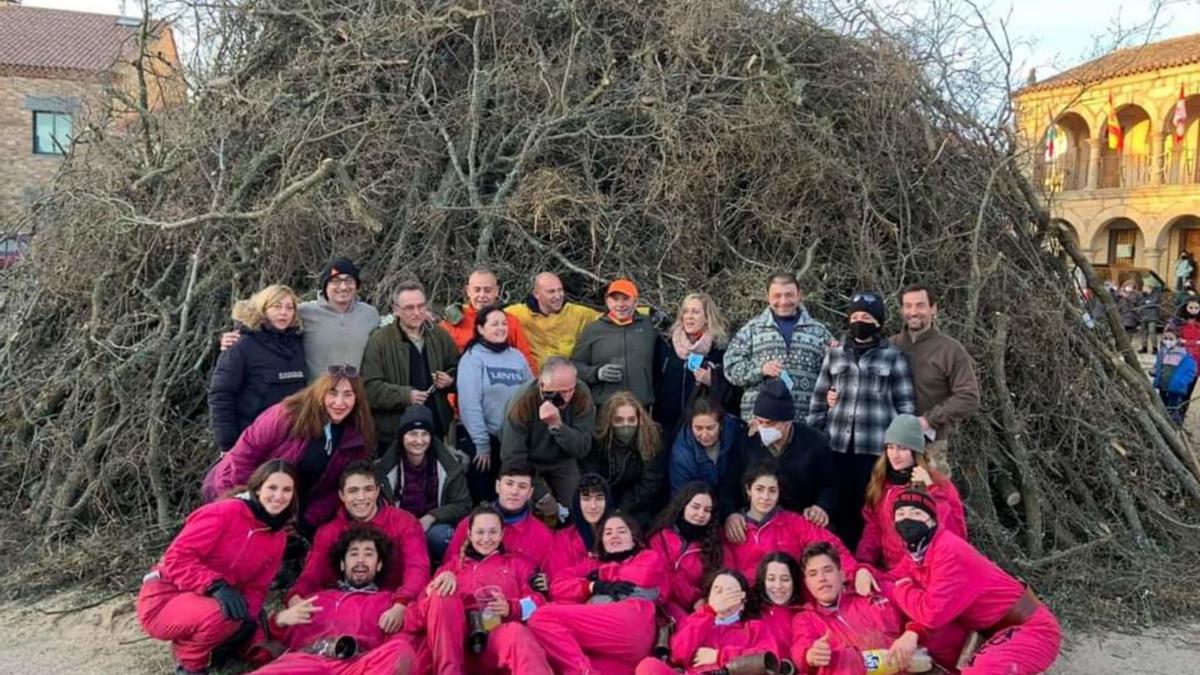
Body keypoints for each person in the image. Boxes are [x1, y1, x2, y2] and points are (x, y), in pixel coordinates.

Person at [139, 460, 297, 675]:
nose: (279, 496)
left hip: (208, 601)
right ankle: (190, 666)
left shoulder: (277, 538)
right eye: (272, 487)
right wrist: (215, 586)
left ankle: (212, 643)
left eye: (286, 490)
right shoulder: (225, 511)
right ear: (258, 488)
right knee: (223, 613)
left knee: (241, 617)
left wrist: (244, 618)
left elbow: (257, 587)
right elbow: (176, 558)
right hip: (165, 597)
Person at [882, 489, 1062, 673]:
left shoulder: (948, 551)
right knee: (931, 641)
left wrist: (902, 588)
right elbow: (889, 579)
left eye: (916, 513)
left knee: (981, 670)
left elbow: (932, 613)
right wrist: (860, 571)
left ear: (932, 520)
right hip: (988, 634)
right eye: (901, 514)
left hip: (1029, 628)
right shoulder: (917, 555)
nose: (907, 519)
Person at [201, 367, 374, 535]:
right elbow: (244, 456)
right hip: (236, 491)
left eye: (348, 395)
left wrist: (305, 520)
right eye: (333, 393)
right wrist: (256, 505)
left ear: (357, 399)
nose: (339, 402)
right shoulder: (287, 414)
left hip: (286, 511)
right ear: (320, 393)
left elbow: (338, 489)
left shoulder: (356, 437)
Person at [808, 291, 916, 550]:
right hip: (836, 447)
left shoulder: (894, 357)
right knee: (835, 509)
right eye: (855, 316)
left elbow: (906, 408)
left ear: (878, 322)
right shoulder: (835, 355)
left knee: (867, 511)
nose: (859, 321)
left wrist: (902, 449)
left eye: (866, 316)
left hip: (874, 450)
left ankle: (865, 563)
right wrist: (816, 436)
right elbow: (819, 399)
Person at [403, 505, 553, 675]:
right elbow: (412, 617)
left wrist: (512, 608)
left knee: (517, 634)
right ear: (469, 534)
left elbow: (538, 603)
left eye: (493, 532)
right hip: (454, 644)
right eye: (480, 532)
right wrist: (432, 594)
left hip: (494, 639)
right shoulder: (451, 568)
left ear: (502, 534)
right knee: (443, 596)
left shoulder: (518, 564)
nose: (486, 538)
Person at [252, 526, 419, 675]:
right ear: (342, 564)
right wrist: (280, 620)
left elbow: (404, 645)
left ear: (379, 564)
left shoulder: (389, 603)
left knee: (400, 651)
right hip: (307, 663)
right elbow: (269, 639)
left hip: (357, 666)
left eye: (368, 554)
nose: (360, 560)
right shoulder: (317, 598)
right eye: (353, 554)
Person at [288, 461, 431, 634]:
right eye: (353, 491)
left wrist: (402, 603)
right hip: (346, 603)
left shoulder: (405, 522)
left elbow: (418, 568)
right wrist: (295, 596)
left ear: (377, 491)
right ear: (341, 495)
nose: (361, 497)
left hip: (391, 605)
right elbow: (313, 572)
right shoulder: (328, 531)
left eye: (368, 489)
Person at [528, 512, 670, 675]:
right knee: (572, 655)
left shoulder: (646, 556)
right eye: (608, 533)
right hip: (615, 650)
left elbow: (645, 575)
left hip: (634, 619)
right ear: (601, 541)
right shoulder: (591, 564)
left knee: (542, 617)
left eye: (622, 531)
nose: (614, 536)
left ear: (634, 538)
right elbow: (557, 586)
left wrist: (603, 573)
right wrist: (593, 586)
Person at [791, 542, 930, 675]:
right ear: (806, 583)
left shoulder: (871, 591)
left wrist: (913, 633)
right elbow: (801, 650)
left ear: (842, 574)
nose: (821, 578)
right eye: (813, 574)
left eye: (828, 570)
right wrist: (810, 656)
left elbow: (924, 611)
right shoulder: (805, 619)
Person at [720, 379, 837, 535]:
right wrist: (731, 514)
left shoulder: (814, 443)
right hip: (754, 524)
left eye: (769, 423)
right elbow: (729, 485)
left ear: (787, 422)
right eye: (759, 421)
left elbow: (829, 485)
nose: (763, 428)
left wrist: (821, 507)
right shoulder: (746, 442)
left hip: (801, 522)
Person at [890, 284, 981, 476]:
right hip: (892, 447)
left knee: (932, 500)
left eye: (920, 305)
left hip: (930, 446)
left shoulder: (950, 350)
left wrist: (929, 420)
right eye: (908, 306)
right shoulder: (891, 346)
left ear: (933, 308)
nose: (913, 312)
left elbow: (969, 397)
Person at [857, 415, 966, 576]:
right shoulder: (882, 483)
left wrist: (931, 490)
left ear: (915, 451)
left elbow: (953, 531)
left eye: (902, 448)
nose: (894, 455)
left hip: (928, 570)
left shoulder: (938, 484)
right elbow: (872, 531)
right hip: (890, 570)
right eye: (890, 447)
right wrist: (863, 564)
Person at [724, 272, 833, 424]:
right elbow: (731, 369)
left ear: (799, 295)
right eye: (777, 296)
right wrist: (760, 370)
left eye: (789, 295)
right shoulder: (751, 330)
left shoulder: (820, 332)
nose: (783, 301)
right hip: (759, 425)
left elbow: (834, 373)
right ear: (768, 297)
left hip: (805, 424)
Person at [208, 284, 306, 453]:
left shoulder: (298, 344)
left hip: (292, 441)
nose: (284, 312)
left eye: (289, 307)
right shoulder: (241, 345)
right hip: (250, 442)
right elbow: (221, 394)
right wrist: (228, 444)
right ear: (263, 308)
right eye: (277, 306)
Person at [361, 279, 458, 448]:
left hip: (434, 429)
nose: (417, 312)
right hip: (393, 434)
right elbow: (369, 388)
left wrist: (450, 380)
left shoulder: (440, 335)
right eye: (409, 308)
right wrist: (405, 395)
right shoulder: (379, 341)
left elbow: (459, 370)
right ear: (395, 310)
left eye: (421, 306)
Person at [723, 463, 856, 585]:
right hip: (748, 601)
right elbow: (724, 575)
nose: (765, 497)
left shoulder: (794, 523)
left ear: (779, 491)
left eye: (772, 490)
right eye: (759, 489)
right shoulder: (733, 528)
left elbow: (832, 547)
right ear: (748, 490)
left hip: (790, 601)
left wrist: (857, 572)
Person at [456, 305, 534, 503]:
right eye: (494, 324)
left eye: (504, 323)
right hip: (486, 442)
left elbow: (532, 395)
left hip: (516, 440)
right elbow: (469, 403)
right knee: (487, 499)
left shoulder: (517, 357)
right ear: (481, 329)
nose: (501, 328)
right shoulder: (473, 358)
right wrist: (482, 444)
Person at [634, 569, 777, 675]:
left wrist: (719, 656)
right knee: (649, 666)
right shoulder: (696, 620)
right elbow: (678, 654)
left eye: (730, 591)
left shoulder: (754, 627)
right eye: (718, 590)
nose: (723, 596)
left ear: (743, 601)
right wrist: (709, 613)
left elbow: (768, 659)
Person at [499, 357, 596, 512]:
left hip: (563, 458)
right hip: (528, 461)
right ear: (543, 386)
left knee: (576, 505)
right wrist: (541, 493)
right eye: (562, 392)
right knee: (526, 501)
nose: (568, 396)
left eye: (571, 389)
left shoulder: (581, 393)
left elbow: (582, 448)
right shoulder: (522, 402)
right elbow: (512, 457)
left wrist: (557, 426)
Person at [376, 407, 472, 562]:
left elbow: (463, 504)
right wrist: (404, 524)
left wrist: (432, 517)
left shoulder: (449, 466)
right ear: (402, 437)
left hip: (433, 528)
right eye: (413, 434)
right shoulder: (384, 469)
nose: (419, 440)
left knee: (442, 536)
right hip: (398, 527)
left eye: (424, 434)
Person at [654, 292, 736, 441]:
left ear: (707, 317)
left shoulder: (721, 348)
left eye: (696, 312)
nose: (689, 316)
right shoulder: (665, 343)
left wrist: (714, 380)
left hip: (704, 429)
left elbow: (734, 391)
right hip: (667, 425)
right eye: (686, 311)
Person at [446, 461, 555, 571]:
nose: (514, 492)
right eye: (509, 484)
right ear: (498, 486)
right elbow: (447, 567)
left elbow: (550, 576)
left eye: (522, 486)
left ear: (530, 493)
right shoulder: (470, 524)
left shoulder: (542, 535)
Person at [572, 278, 661, 408]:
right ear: (607, 301)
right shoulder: (593, 329)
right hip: (606, 405)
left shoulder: (649, 327)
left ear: (635, 302)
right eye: (615, 299)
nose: (620, 304)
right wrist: (597, 373)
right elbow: (575, 366)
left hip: (642, 405)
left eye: (625, 299)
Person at [584, 391, 668, 525]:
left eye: (631, 419)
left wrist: (621, 509)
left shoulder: (652, 438)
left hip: (638, 502)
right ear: (609, 420)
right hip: (603, 498)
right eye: (618, 420)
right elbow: (592, 473)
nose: (626, 425)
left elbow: (650, 483)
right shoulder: (598, 440)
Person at [647, 482, 726, 623]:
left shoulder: (713, 544)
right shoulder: (660, 538)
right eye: (695, 507)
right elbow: (664, 576)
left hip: (698, 609)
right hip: (660, 603)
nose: (701, 514)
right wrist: (694, 598)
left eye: (707, 510)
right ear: (683, 506)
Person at [440, 267, 536, 368]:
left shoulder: (509, 321)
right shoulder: (453, 321)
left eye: (487, 290)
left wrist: (534, 382)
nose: (482, 295)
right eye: (477, 290)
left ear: (497, 291)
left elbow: (526, 359)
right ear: (468, 291)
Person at [505, 271, 601, 368]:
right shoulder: (517, 314)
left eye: (560, 290)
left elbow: (608, 321)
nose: (558, 296)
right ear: (536, 294)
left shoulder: (579, 314)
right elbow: (492, 319)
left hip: (568, 377)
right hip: (534, 378)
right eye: (551, 292)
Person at [668, 397, 746, 495]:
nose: (704, 435)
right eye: (698, 428)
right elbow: (680, 496)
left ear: (721, 425)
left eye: (710, 428)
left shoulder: (735, 430)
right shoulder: (682, 455)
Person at [546, 473, 612, 576]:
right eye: (586, 499)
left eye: (599, 499)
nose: (593, 506)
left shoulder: (621, 533)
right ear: (577, 503)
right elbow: (558, 581)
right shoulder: (563, 539)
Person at [753, 552, 804, 655]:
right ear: (763, 581)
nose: (778, 585)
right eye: (771, 579)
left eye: (785, 579)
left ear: (794, 581)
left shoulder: (805, 613)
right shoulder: (752, 611)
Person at [1152, 328, 1197, 424]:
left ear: (1177, 340)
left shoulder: (1183, 354)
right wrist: (1155, 371)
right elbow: (1158, 365)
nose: (1168, 341)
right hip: (1163, 385)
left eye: (1171, 339)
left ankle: (1176, 425)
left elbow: (1191, 371)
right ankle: (1164, 423)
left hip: (1175, 387)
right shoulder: (1162, 352)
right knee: (1163, 405)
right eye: (1166, 338)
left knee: (1173, 407)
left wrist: (1182, 381)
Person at [1171, 296, 1200, 417]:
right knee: (1176, 387)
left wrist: (1186, 342)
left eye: (1196, 308)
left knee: (1188, 391)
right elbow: (1171, 339)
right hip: (1180, 359)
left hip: (1196, 362)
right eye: (1191, 307)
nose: (1193, 310)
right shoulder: (1177, 322)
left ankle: (1181, 414)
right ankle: (1173, 411)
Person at [1136, 283, 1163, 354]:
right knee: (1143, 332)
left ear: (1150, 288)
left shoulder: (1155, 295)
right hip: (1143, 316)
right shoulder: (1142, 295)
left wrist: (1146, 304)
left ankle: (1155, 348)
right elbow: (1139, 303)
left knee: (1152, 331)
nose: (1143, 289)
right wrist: (1145, 303)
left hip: (1152, 316)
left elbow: (1153, 303)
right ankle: (1144, 347)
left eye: (1145, 288)